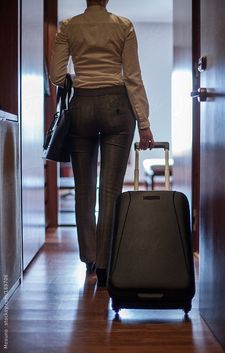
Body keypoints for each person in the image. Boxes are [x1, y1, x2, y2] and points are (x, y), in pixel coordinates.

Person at [50, 0, 154, 286]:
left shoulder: (69, 26)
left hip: (81, 106)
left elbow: (57, 76)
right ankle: (107, 264)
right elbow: (133, 77)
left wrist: (80, 77)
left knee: (83, 190)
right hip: (117, 106)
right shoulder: (123, 25)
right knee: (110, 190)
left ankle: (90, 260)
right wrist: (144, 124)